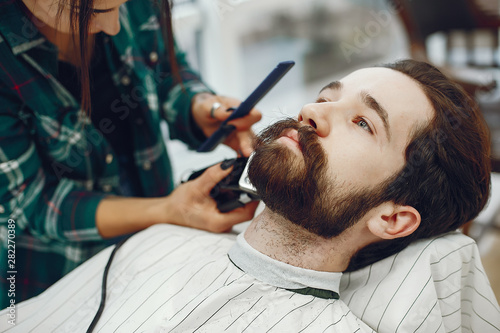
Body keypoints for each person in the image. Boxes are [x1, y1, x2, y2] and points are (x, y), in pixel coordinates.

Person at [2, 60, 500, 332]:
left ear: (392, 219)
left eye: (363, 122)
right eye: (327, 97)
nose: (310, 110)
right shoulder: (162, 241)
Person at [0, 0, 261, 308]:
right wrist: (167, 210)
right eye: (97, 13)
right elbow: (33, 203)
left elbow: (166, 70)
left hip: (157, 252)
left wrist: (200, 107)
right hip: (55, 280)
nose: (115, 28)